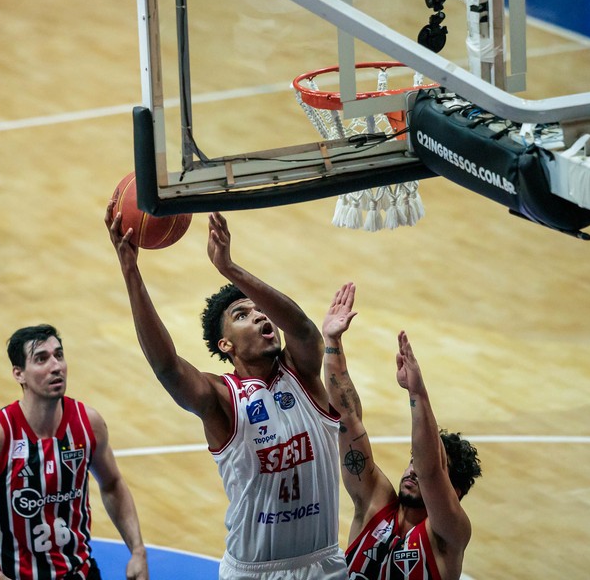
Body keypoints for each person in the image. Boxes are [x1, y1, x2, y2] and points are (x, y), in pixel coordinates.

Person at [106, 208, 346, 580]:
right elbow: (168, 367)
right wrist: (130, 271)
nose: (261, 316)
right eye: (242, 315)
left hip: (324, 566)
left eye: (261, 310)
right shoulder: (222, 397)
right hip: (254, 572)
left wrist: (230, 269)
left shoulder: (303, 374)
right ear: (226, 344)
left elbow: (301, 327)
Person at [0, 324, 149, 580]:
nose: (55, 366)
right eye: (41, 359)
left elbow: (112, 484)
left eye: (59, 355)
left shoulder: (87, 424)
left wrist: (137, 550)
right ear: (19, 374)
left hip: (80, 573)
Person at [321, 283, 482, 580]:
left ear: (453, 493)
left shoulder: (449, 535)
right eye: (411, 461)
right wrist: (332, 343)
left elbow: (431, 470)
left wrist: (417, 394)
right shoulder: (375, 502)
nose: (412, 470)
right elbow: (347, 419)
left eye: (418, 463)